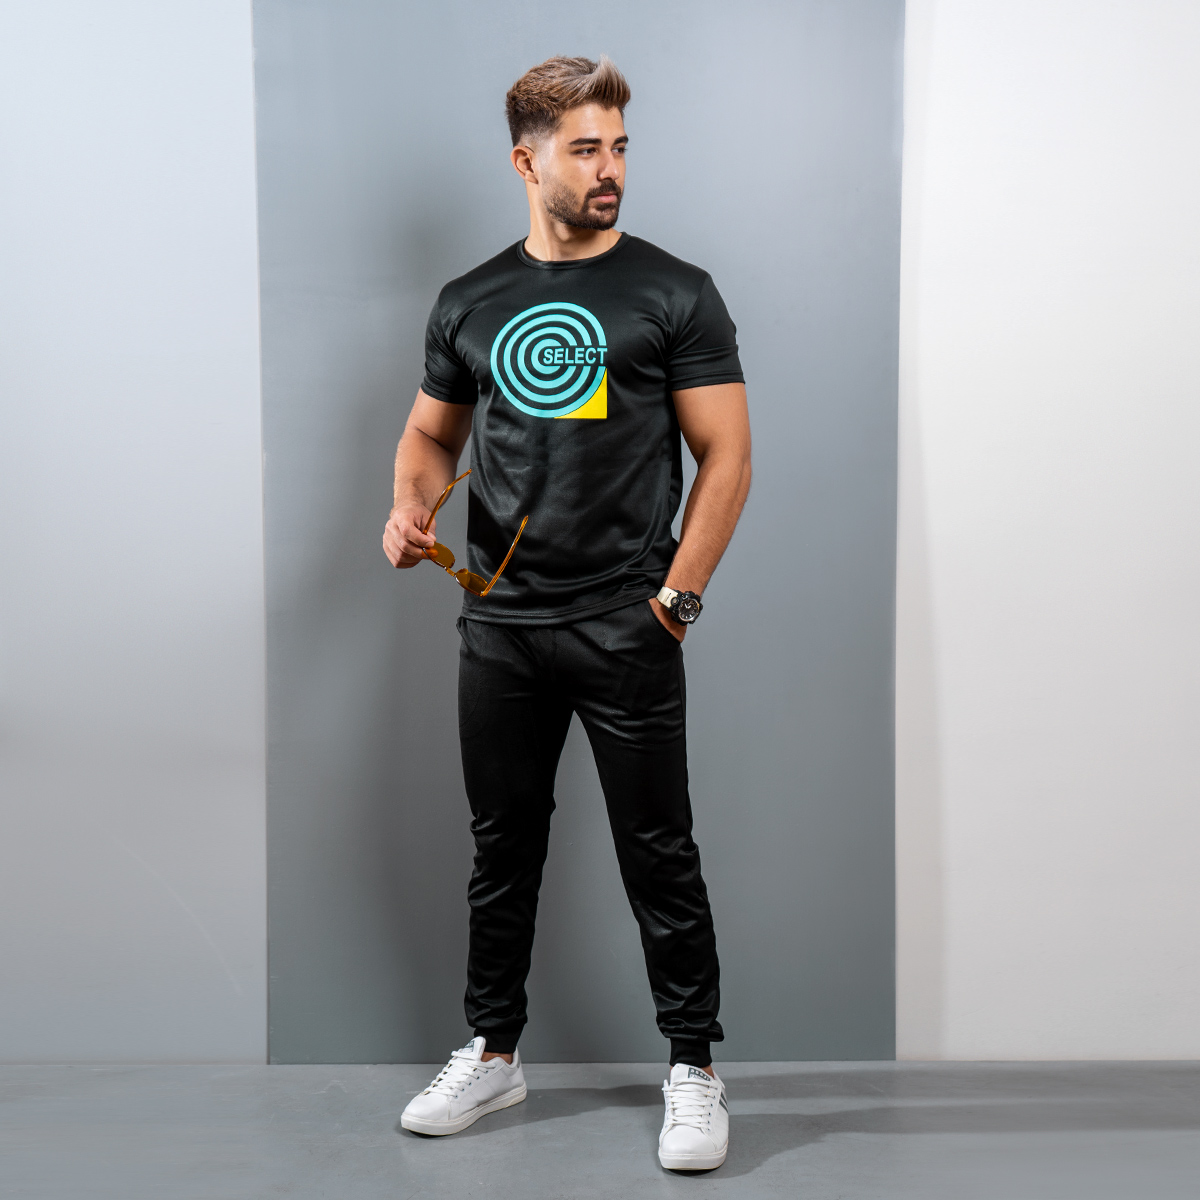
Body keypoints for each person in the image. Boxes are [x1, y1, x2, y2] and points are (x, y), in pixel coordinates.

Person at [382, 54, 751, 1172]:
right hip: (500, 626)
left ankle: (694, 1068)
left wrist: (675, 601)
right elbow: (430, 435)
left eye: (619, 147)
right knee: (503, 848)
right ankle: (493, 1054)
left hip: (626, 623)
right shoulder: (470, 301)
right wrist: (407, 507)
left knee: (659, 851)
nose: (610, 169)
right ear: (526, 160)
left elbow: (727, 456)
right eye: (586, 149)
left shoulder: (675, 291)